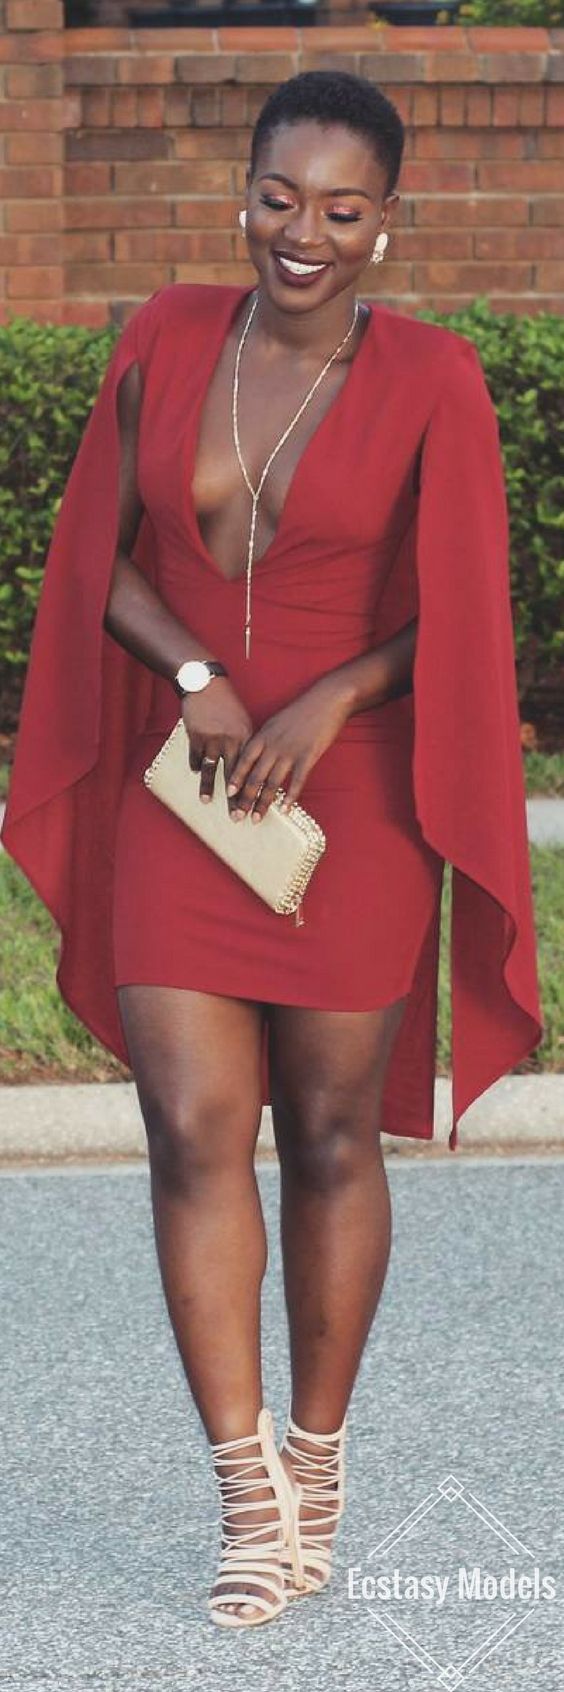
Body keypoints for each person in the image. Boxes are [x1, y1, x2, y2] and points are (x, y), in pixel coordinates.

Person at [1, 71, 543, 1629]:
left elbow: (465, 604)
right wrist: (195, 673)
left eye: (341, 209)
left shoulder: (433, 376)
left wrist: (336, 693)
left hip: (348, 792)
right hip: (196, 783)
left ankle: (320, 1451)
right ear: (242, 194)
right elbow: (96, 560)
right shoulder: (167, 337)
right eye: (279, 198)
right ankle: (247, 1490)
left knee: (329, 1133)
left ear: (387, 225)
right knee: (191, 1128)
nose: (302, 233)